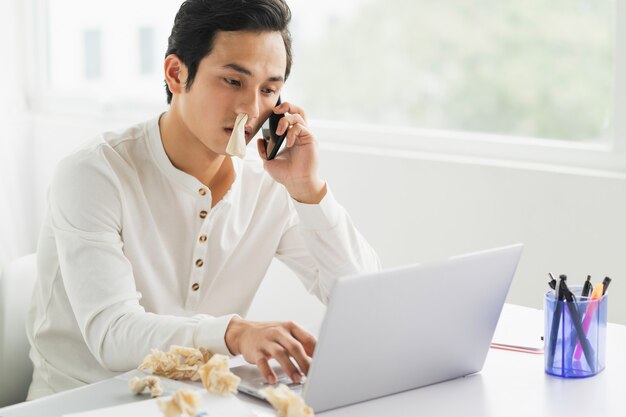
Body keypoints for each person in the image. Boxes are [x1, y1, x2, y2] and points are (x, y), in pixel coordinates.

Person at [26, 0, 381, 400]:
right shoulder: (95, 173)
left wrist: (308, 190)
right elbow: (112, 335)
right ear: (177, 74)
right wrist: (234, 333)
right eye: (233, 81)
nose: (251, 109)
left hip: (195, 401)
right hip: (80, 403)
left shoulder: (269, 185)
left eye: (269, 90)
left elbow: (365, 299)